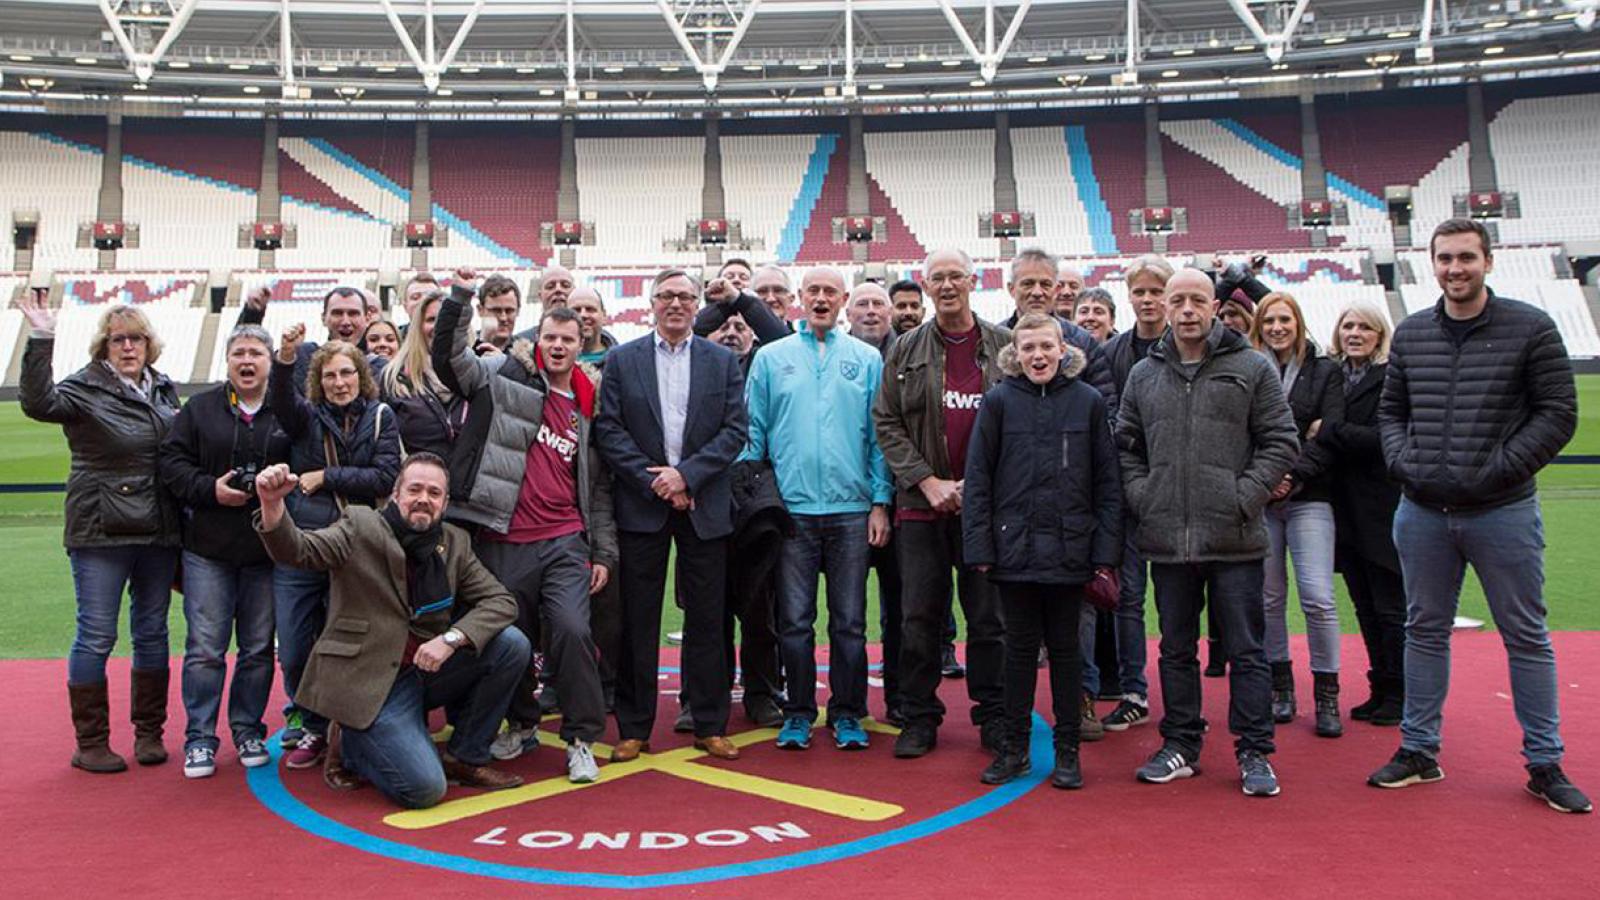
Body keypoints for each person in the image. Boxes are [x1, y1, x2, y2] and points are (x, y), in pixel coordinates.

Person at [1369, 218, 1590, 815]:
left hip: (1502, 511)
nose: (1454, 269)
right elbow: (1391, 413)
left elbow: (1557, 413)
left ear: (1487, 261)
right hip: (1421, 511)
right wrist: (1404, 461)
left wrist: (1501, 467)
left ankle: (1544, 762)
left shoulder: (1530, 327)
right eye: (1444, 259)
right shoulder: (1412, 334)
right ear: (1432, 263)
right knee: (1423, 631)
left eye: (1466, 257)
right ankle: (1419, 750)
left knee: (1525, 636)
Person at [253, 455, 528, 808]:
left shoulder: (455, 542)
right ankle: (351, 745)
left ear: (444, 503)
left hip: (429, 669)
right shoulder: (359, 525)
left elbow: (501, 601)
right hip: (373, 679)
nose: (423, 499)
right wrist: (272, 503)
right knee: (425, 789)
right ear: (396, 495)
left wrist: (451, 639)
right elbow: (299, 551)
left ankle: (465, 756)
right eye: (414, 489)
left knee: (511, 644)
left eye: (434, 492)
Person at [1116, 267, 1298, 797]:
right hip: (1167, 538)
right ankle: (1181, 743)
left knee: (1246, 649)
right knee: (1175, 648)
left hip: (1234, 536)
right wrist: (1144, 495)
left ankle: (1254, 750)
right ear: (1165, 308)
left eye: (1199, 299)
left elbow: (1281, 440)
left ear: (1215, 306)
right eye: (1180, 300)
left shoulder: (1250, 367)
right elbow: (1127, 445)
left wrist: (1246, 494)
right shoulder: (1143, 376)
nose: (1189, 309)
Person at [433, 269, 618, 783]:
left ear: (583, 345)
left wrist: (602, 552)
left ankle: (582, 737)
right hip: (501, 537)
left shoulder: (589, 404)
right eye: (550, 338)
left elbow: (598, 488)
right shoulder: (501, 378)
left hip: (563, 540)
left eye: (568, 340)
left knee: (573, 631)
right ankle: (524, 722)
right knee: (505, 640)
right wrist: (460, 298)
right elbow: (450, 360)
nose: (558, 347)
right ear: (536, 341)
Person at [19, 294, 182, 774]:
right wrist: (42, 337)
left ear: (150, 345)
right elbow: (38, 402)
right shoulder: (83, 389)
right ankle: (90, 743)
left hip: (157, 525)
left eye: (136, 338)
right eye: (118, 339)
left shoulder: (164, 389)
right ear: (103, 347)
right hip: (101, 526)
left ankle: (148, 735)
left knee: (153, 632)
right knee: (96, 634)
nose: (128, 347)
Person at [594, 268, 749, 762]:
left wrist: (687, 477)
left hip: (703, 504)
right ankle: (634, 727)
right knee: (637, 620)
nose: (677, 304)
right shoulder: (622, 359)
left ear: (697, 303)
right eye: (667, 296)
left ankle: (709, 723)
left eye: (686, 296)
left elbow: (734, 431)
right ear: (652, 303)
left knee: (708, 618)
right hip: (643, 505)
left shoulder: (722, 361)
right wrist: (656, 480)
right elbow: (610, 431)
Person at [964, 314, 1122, 788]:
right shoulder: (997, 403)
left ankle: (1068, 751)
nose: (1037, 355)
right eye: (1028, 347)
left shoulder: (1089, 402)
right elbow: (979, 483)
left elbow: (1107, 484)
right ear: (1015, 353)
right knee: (1017, 654)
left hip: (1071, 551)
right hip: (1014, 551)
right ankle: (1014, 750)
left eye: (1045, 347)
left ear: (1062, 350)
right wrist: (981, 548)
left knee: (1068, 653)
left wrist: (1104, 553)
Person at [744, 267, 892, 752]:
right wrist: (762, 504)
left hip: (852, 511)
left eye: (831, 291)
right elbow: (754, 435)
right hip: (793, 513)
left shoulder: (867, 359)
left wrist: (879, 501)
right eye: (814, 291)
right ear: (797, 299)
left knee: (849, 621)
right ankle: (800, 712)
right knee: (795, 621)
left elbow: (879, 438)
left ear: (845, 300)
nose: (822, 299)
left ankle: (848, 712)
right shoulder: (770, 358)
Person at [873, 247, 1009, 758]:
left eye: (956, 276)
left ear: (974, 280)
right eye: (938, 279)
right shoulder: (905, 349)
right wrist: (927, 481)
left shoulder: (1004, 345)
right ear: (925, 287)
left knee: (988, 618)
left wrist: (976, 486)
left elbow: (1019, 424)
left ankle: (993, 715)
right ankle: (919, 716)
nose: (948, 285)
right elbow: (885, 421)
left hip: (985, 508)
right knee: (918, 618)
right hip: (919, 505)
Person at [158, 325, 288, 778]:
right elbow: (171, 463)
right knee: (206, 649)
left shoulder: (284, 410)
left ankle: (248, 728)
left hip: (265, 550)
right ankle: (199, 737)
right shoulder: (201, 408)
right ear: (227, 360)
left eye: (256, 353)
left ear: (270, 361)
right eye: (239, 353)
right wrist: (209, 490)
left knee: (256, 649)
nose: (247, 361)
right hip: (208, 548)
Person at [270, 330, 401, 768]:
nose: (339, 382)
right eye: (330, 375)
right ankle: (310, 719)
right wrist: (286, 359)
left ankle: (338, 728)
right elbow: (283, 403)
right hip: (307, 542)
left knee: (344, 641)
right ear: (319, 381)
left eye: (346, 373)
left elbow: (385, 477)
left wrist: (326, 476)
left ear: (360, 376)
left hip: (356, 546)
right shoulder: (306, 417)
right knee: (292, 643)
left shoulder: (381, 416)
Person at [1249, 292, 1345, 737]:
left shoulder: (1324, 371)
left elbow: (1330, 434)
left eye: (1285, 319)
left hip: (1310, 496)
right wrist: (1267, 479)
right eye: (1269, 320)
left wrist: (1290, 476)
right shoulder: (1248, 368)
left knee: (1318, 597)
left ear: (1299, 322)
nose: (1277, 328)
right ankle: (1280, 686)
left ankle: (1327, 692)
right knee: (1268, 598)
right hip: (1261, 500)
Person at [1320, 303, 1405, 727]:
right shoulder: (1335, 375)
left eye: (1364, 327)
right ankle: (1380, 686)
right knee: (1365, 605)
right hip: (1346, 510)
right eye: (1348, 325)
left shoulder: (1390, 378)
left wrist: (1328, 431)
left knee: (1390, 605)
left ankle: (1399, 691)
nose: (1354, 333)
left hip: (1381, 508)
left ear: (1379, 334)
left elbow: (1384, 440)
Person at [1097, 253, 1173, 732]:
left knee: (1178, 599)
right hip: (1127, 487)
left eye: (1155, 291)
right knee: (1128, 596)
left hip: (1178, 491)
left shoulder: (1191, 346)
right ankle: (1133, 690)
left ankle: (1181, 692)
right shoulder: (1114, 352)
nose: (1147, 300)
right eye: (1140, 292)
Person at [379, 289, 466, 460]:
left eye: (445, 318)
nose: (439, 325)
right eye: (431, 319)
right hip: (419, 483)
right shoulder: (394, 378)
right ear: (418, 327)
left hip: (470, 485)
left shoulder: (479, 375)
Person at [239, 284, 370, 392]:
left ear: (367, 318)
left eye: (353, 313)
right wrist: (252, 315)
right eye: (337, 313)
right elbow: (262, 379)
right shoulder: (303, 358)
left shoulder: (379, 366)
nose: (345, 321)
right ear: (323, 318)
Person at [569, 287, 618, 368]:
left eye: (590, 309)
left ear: (604, 316)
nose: (583, 315)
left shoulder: (621, 362)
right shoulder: (551, 364)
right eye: (576, 310)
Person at [475, 275, 523, 355]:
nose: (503, 318)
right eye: (496, 310)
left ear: (518, 311)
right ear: (480, 310)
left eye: (509, 311)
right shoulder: (462, 351)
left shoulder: (528, 357)